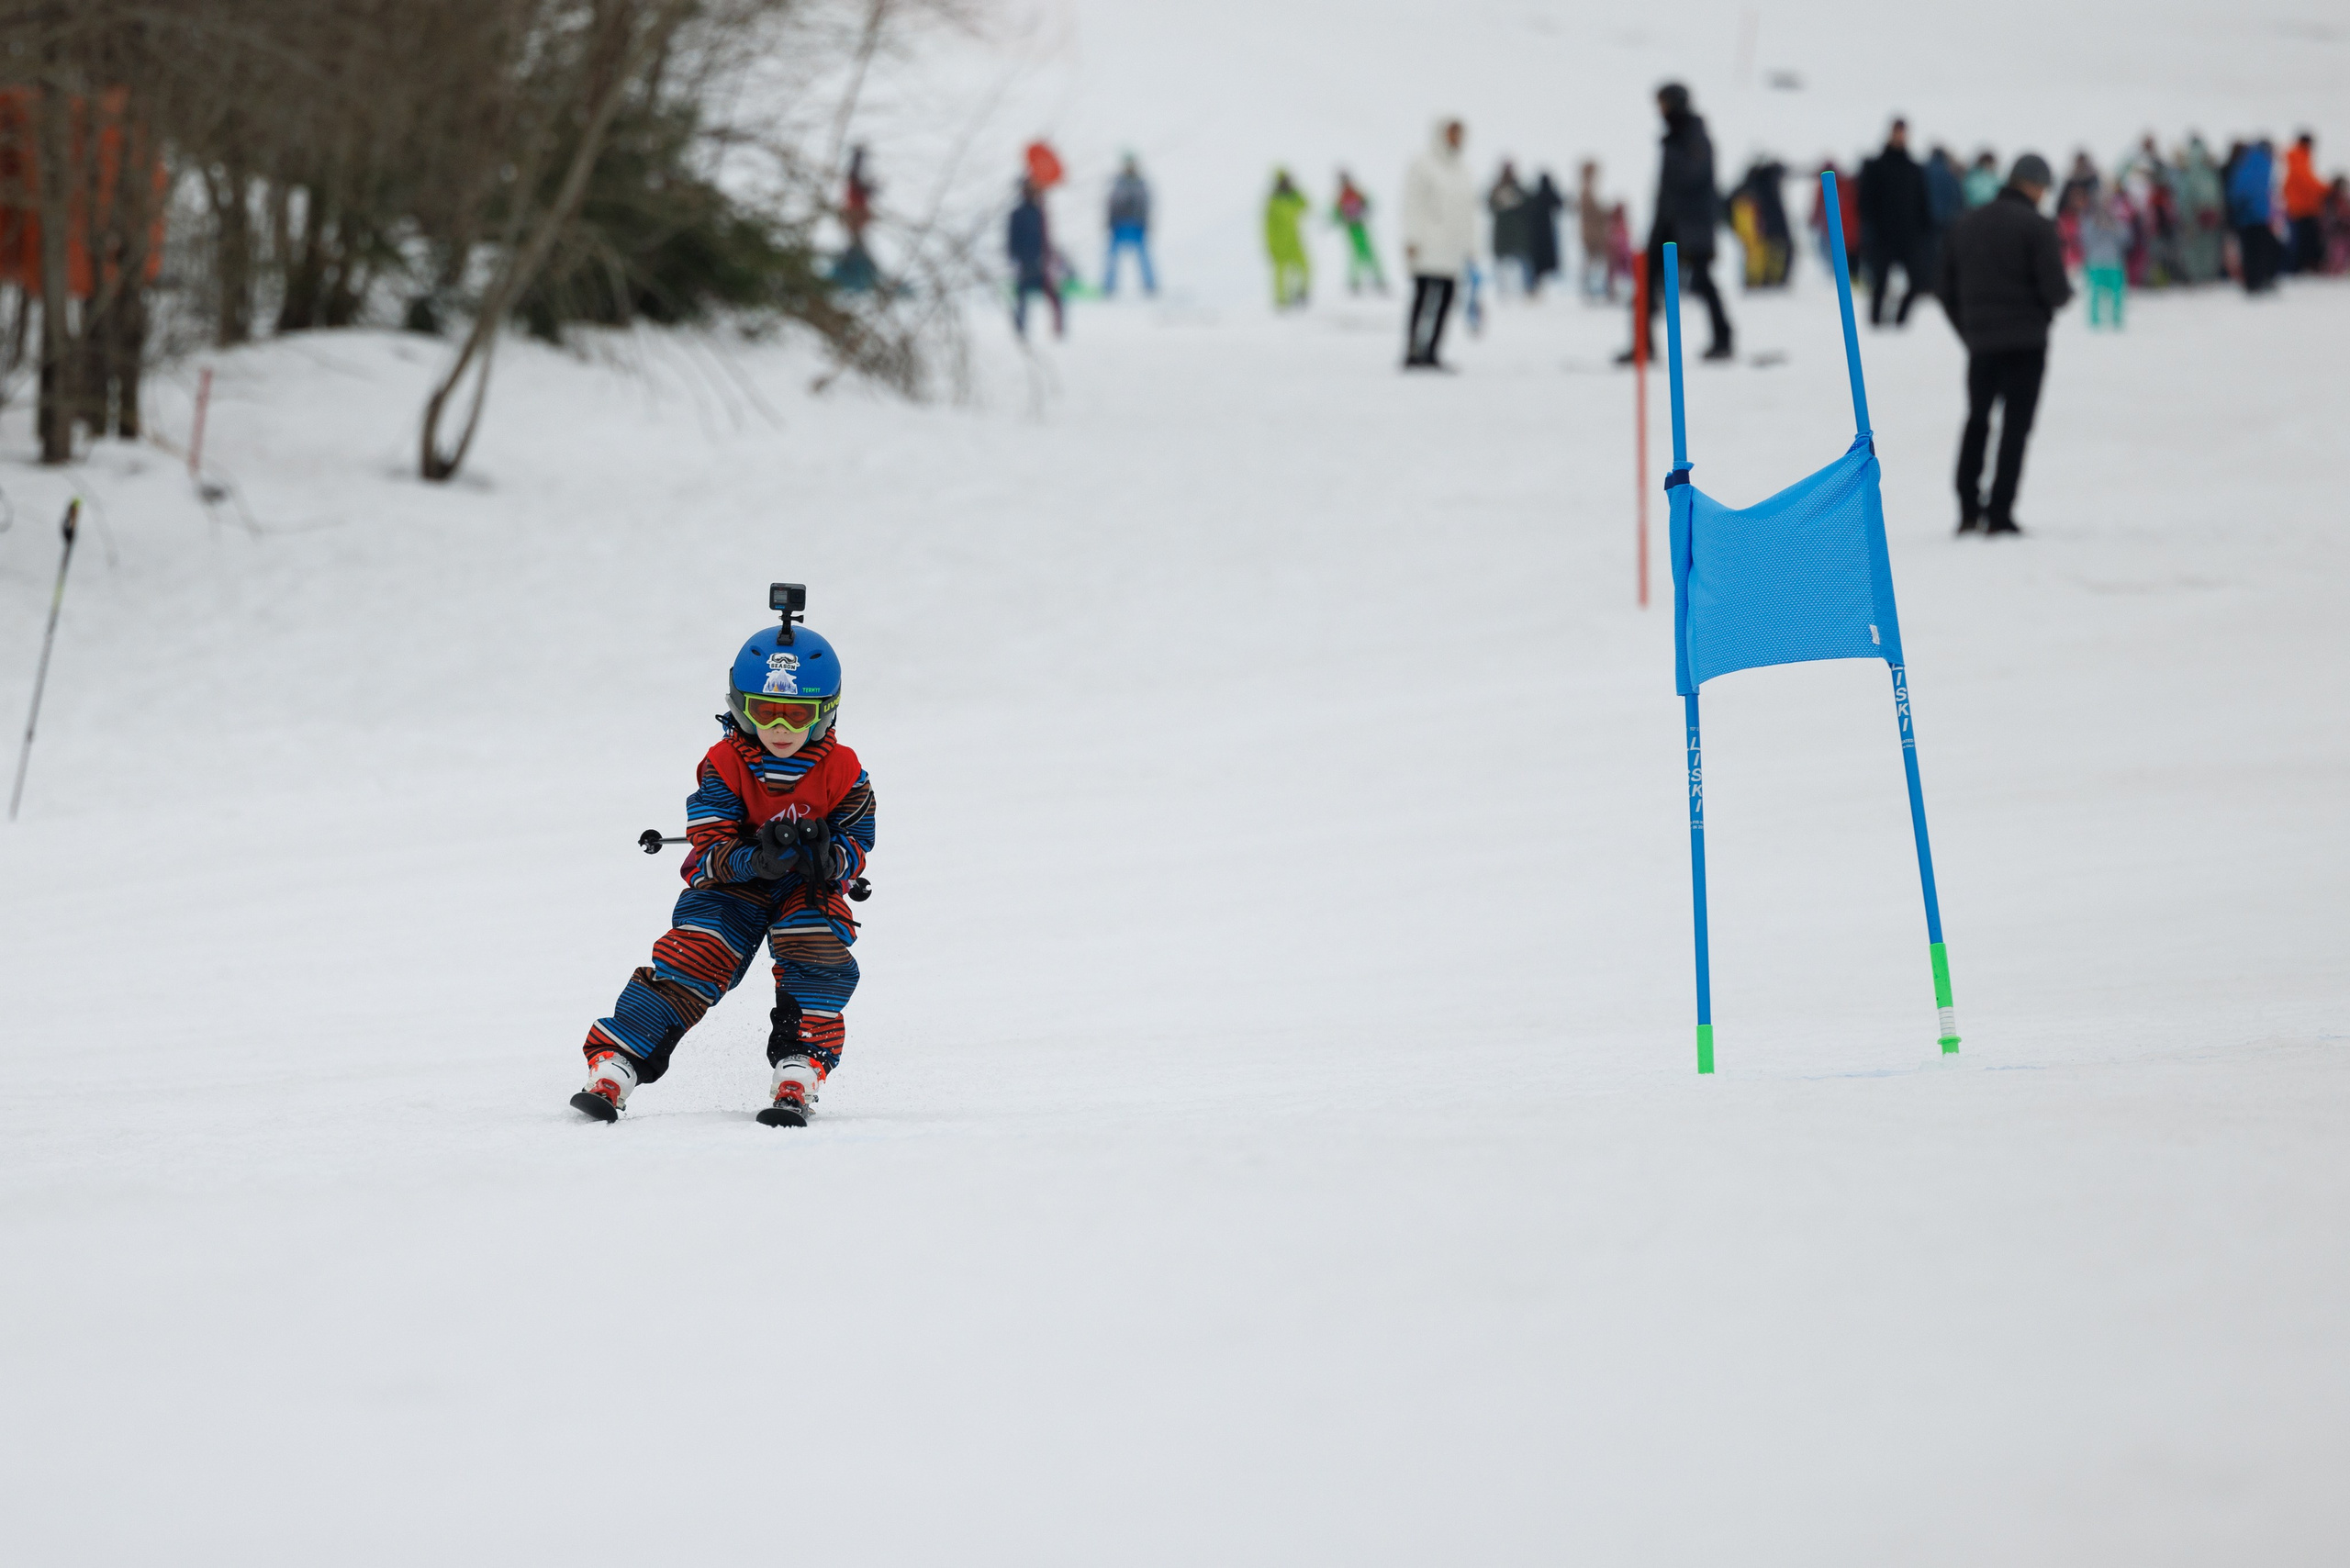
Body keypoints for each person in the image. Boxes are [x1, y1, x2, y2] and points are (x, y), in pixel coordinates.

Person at [575, 604, 877, 1127]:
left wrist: (831, 859)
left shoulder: (844, 770)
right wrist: (754, 858)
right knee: (699, 951)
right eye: (765, 711)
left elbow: (860, 837)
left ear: (825, 711)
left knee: (817, 944)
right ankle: (620, 1058)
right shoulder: (724, 763)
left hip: (805, 885)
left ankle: (801, 1063)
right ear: (741, 707)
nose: (780, 728)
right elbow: (709, 840)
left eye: (798, 715)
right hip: (732, 885)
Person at [1936, 152, 2073, 536]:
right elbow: (2056, 291)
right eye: (2044, 187)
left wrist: (1970, 332)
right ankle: (2000, 513)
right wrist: (2049, 306)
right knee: (2015, 429)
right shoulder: (2037, 227)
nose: (2045, 195)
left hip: (1981, 345)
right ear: (2030, 184)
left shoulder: (1967, 224)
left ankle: (1966, 509)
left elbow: (1944, 289)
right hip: (2027, 344)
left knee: (1977, 422)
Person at [1621, 82, 1731, 363]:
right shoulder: (1676, 136)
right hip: (1669, 225)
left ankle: (1723, 339)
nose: (1660, 110)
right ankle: (1643, 344)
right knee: (1646, 282)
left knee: (1703, 282)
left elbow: (1692, 178)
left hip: (1691, 226)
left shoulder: (1693, 136)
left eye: (1664, 103)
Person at [1400, 118, 1478, 368]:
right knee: (1423, 299)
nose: (1456, 139)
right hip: (1428, 245)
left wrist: (1472, 246)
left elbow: (1469, 211)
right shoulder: (1423, 165)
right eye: (1452, 134)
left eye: (1460, 134)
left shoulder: (1463, 169)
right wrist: (1411, 238)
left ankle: (1432, 351)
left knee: (1446, 302)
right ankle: (1413, 351)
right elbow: (1412, 204)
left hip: (1452, 249)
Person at [1858, 118, 1932, 326]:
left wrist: (1924, 231)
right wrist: (1871, 230)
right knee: (1879, 284)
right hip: (1883, 237)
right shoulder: (1876, 166)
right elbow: (1865, 202)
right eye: (1896, 132)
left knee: (1918, 281)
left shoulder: (1914, 169)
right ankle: (1875, 323)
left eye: (1903, 132)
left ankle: (1900, 322)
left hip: (1910, 237)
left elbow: (1923, 203)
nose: (1900, 136)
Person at [1006, 176, 1062, 338]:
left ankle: (1058, 330)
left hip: (1040, 263)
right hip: (1025, 262)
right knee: (1022, 297)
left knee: (1054, 296)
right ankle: (1020, 328)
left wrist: (1050, 256)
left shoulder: (1040, 213)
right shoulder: (1017, 214)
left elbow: (1046, 238)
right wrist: (1015, 256)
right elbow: (1012, 238)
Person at [2229, 138, 2280, 293]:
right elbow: (2264, 190)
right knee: (2262, 250)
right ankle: (2260, 280)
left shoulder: (2244, 163)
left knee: (2249, 251)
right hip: (2259, 215)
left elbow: (2236, 189)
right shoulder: (2264, 163)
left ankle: (2252, 282)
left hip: (2244, 216)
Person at [1103, 154, 1156, 296]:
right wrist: (1109, 222)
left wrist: (1146, 223)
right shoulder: (1119, 183)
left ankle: (1150, 285)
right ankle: (1108, 286)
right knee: (1112, 257)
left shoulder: (1140, 184)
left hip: (1136, 225)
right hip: (1119, 226)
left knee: (1143, 256)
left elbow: (1146, 205)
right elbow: (1112, 203)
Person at [1331, 171, 1387, 293]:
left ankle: (1378, 278)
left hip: (1361, 226)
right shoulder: (1341, 196)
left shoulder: (1356, 192)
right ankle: (1355, 280)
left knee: (1370, 253)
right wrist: (1341, 217)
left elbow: (1369, 204)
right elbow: (1335, 214)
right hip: (1352, 229)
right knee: (1356, 255)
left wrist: (1364, 210)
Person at [1265, 168, 1311, 308]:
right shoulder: (1273, 202)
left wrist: (1295, 191)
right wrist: (1271, 245)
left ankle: (1300, 292)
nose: (1286, 184)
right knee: (1281, 272)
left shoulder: (1292, 199)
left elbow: (1306, 205)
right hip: (1279, 244)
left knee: (1305, 266)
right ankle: (1281, 299)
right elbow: (1267, 227)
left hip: (1295, 242)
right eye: (1283, 181)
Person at [2080, 192, 2127, 328]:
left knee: (2108, 294)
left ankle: (2113, 319)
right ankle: (2099, 321)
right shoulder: (2093, 221)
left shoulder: (2114, 221)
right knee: (2100, 294)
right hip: (2105, 262)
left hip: (2107, 263)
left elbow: (2125, 238)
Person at [2282, 132, 2326, 274]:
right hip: (2301, 209)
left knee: (2301, 240)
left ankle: (2300, 266)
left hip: (2301, 208)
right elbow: (2307, 181)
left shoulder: (2300, 158)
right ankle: (2298, 267)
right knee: (2302, 241)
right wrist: (2328, 189)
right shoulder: (2299, 158)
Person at [1487, 161, 1531, 293]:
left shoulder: (1519, 189)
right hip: (1502, 234)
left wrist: (1515, 202)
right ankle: (1502, 290)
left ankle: (1527, 289)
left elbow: (1528, 206)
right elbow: (1490, 205)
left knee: (1524, 262)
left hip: (1517, 234)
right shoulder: (1497, 189)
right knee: (1501, 265)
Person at [1576, 161, 1613, 298]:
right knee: (1595, 261)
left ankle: (1593, 288)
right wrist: (1605, 213)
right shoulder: (1586, 190)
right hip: (1592, 233)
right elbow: (1591, 211)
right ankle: (1591, 289)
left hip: (1593, 232)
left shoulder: (1588, 189)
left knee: (1595, 261)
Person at [1527, 170, 1566, 295]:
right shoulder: (1548, 194)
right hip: (1547, 234)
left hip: (1537, 236)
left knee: (1539, 264)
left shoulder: (1536, 195)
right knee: (1546, 263)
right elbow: (1560, 204)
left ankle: (1539, 286)